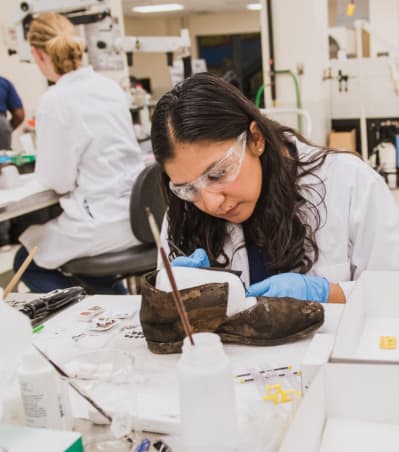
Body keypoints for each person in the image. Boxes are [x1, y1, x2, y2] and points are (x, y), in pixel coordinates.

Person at [150, 73, 399, 304]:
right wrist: (177, 291)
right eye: (188, 188)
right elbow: (170, 313)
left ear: (256, 139)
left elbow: (390, 295)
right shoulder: (184, 210)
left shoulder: (349, 182)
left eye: (217, 174)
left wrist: (326, 293)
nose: (211, 203)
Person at [13, 12, 144, 294]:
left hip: (100, 221)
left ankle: (82, 310)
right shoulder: (109, 87)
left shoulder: (54, 100)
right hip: (137, 216)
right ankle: (113, 307)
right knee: (76, 259)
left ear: (37, 55)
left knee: (26, 260)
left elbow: (57, 181)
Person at [0, 76, 24, 150]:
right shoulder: (3, 82)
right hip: (2, 127)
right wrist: (6, 130)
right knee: (3, 159)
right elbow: (19, 115)